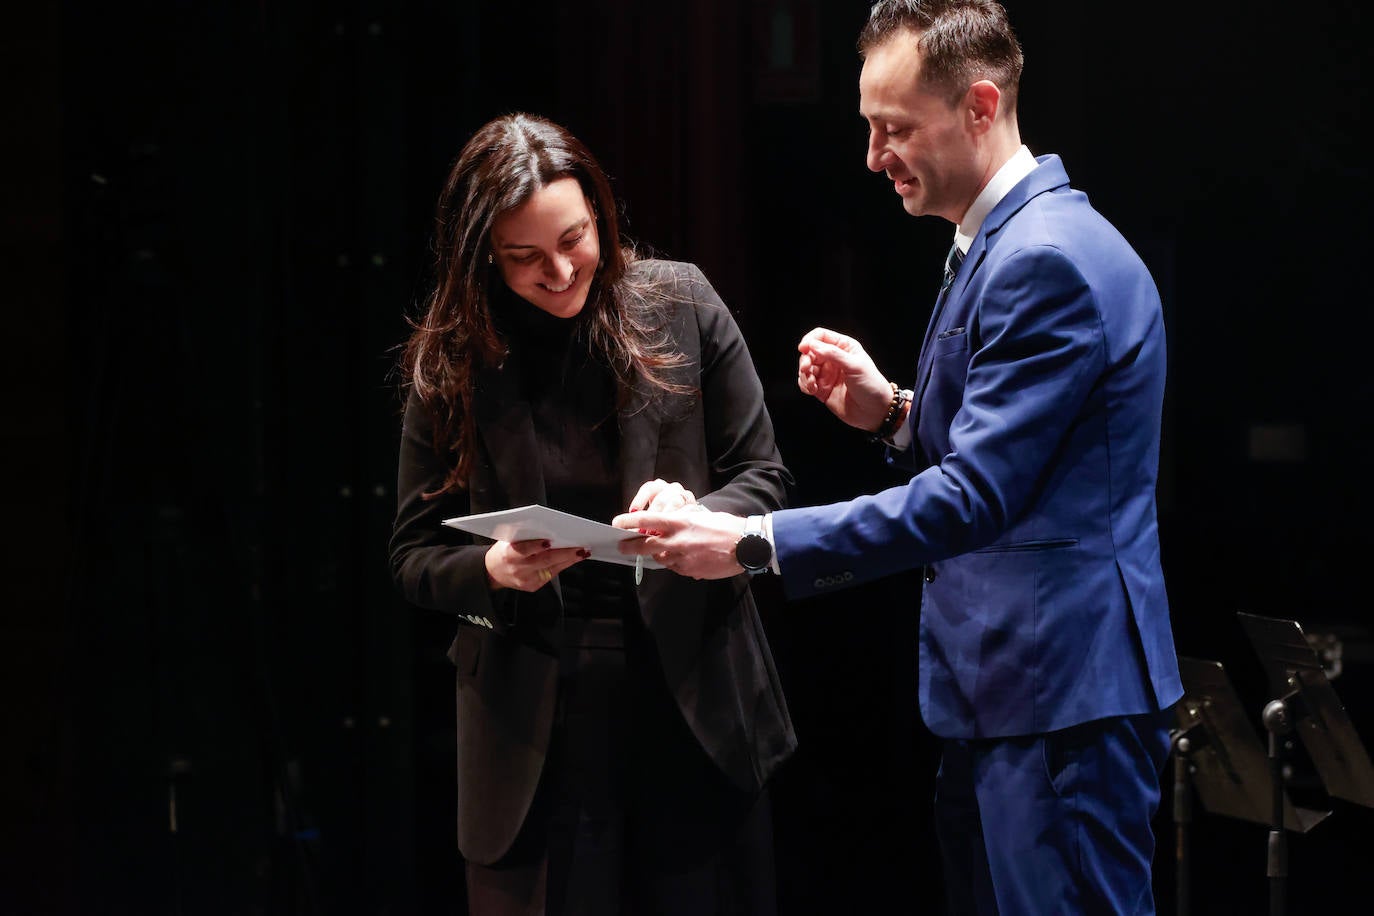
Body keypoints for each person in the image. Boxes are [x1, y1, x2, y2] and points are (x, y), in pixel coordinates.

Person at [613, 1, 1183, 912]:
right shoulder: (1006, 241)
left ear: (980, 106)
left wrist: (752, 540)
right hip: (1018, 696)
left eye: (893, 130)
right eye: (870, 128)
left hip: (1058, 699)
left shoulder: (1047, 259)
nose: (875, 158)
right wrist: (896, 415)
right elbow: (1039, 449)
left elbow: (974, 497)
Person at [389, 113, 795, 916]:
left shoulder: (680, 303)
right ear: (483, 260)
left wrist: (699, 511)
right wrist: (492, 570)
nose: (561, 270)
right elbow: (411, 556)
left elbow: (765, 477)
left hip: (691, 703)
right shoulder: (455, 361)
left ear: (600, 219)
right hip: (534, 722)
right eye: (525, 258)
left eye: (575, 239)